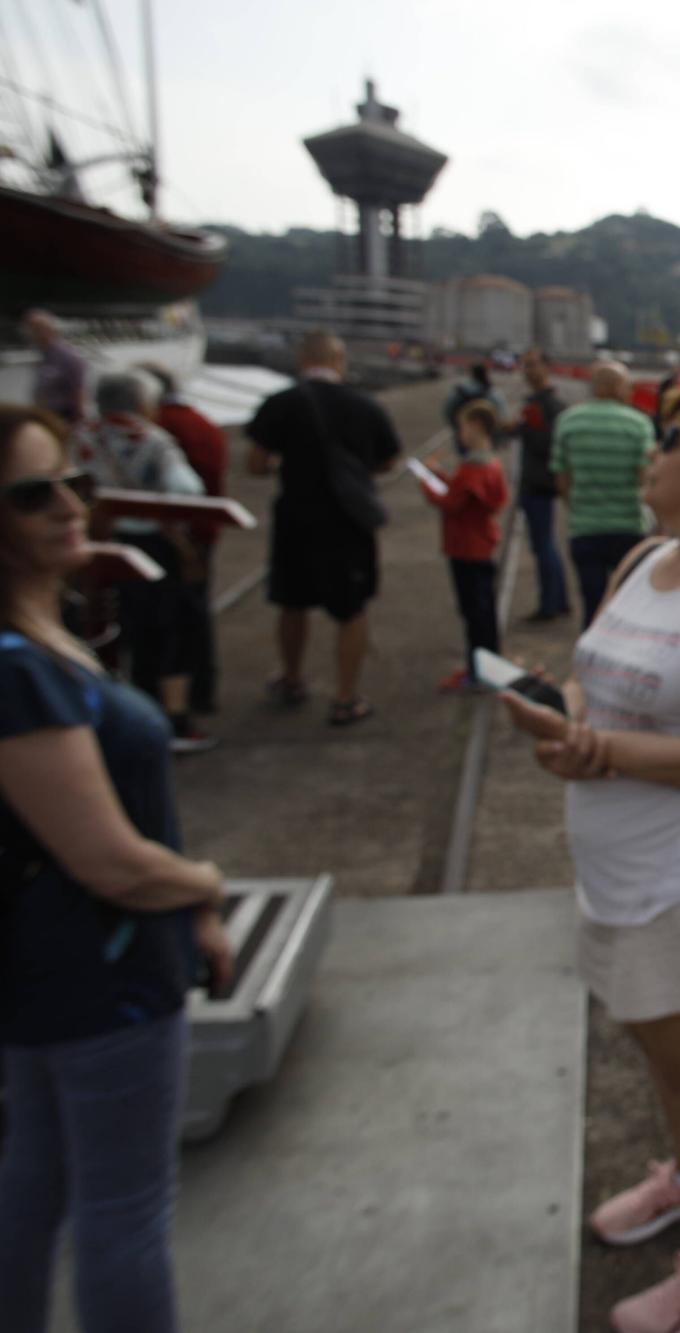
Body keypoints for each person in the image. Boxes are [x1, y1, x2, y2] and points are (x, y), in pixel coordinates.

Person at [498, 381, 680, 1333]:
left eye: (670, 440)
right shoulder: (643, 557)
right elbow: (597, 680)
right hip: (617, 871)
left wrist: (597, 753)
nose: (649, 453)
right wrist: (567, 718)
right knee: (662, 1059)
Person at [0, 402, 234, 1333]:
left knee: (39, 1174)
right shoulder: (18, 671)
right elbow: (109, 861)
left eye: (75, 482)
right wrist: (205, 885)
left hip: (56, 971)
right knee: (124, 1209)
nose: (68, 505)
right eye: (33, 493)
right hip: (100, 978)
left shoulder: (44, 637)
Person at [245, 331, 403, 727]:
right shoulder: (365, 406)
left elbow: (255, 464)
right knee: (351, 609)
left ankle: (293, 678)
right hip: (348, 522)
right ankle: (345, 698)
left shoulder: (281, 403)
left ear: (302, 360)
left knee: (292, 602)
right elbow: (388, 461)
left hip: (295, 518)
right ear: (339, 361)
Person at [69, 373, 214, 753]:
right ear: (142, 404)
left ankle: (128, 716)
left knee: (121, 631)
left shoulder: (84, 436)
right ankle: (175, 722)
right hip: (154, 544)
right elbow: (186, 492)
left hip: (103, 541)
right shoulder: (152, 440)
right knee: (170, 630)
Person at [141, 366, 230, 715]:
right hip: (202, 535)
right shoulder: (201, 423)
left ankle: (168, 709)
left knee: (164, 626)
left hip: (172, 541)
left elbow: (183, 490)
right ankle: (200, 696)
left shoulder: (159, 430)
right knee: (193, 619)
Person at [553, 360, 653, 626]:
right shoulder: (639, 424)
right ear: (617, 387)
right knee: (630, 607)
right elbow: (646, 480)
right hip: (629, 528)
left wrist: (576, 507)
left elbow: (562, 479)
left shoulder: (567, 421)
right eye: (628, 386)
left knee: (593, 605)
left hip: (584, 528)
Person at [424, 401, 510, 693]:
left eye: (461, 427)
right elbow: (495, 499)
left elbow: (450, 503)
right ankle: (490, 666)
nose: (459, 434)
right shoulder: (491, 463)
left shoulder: (471, 468)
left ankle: (477, 672)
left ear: (475, 426)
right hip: (483, 543)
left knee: (473, 614)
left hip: (465, 547)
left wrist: (427, 481)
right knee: (485, 612)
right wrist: (442, 478)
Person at [514, 347, 571, 623]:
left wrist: (527, 427)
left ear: (547, 367)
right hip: (538, 481)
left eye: (533, 365)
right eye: (526, 366)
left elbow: (549, 446)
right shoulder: (541, 403)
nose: (529, 371)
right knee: (545, 543)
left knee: (543, 544)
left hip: (539, 483)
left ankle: (550, 603)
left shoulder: (547, 405)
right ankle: (558, 599)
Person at [21, 310, 87, 427]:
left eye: (35, 329)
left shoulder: (67, 357)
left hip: (63, 417)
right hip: (43, 415)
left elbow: (78, 392)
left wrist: (78, 422)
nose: (30, 334)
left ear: (49, 329)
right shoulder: (43, 355)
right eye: (29, 329)